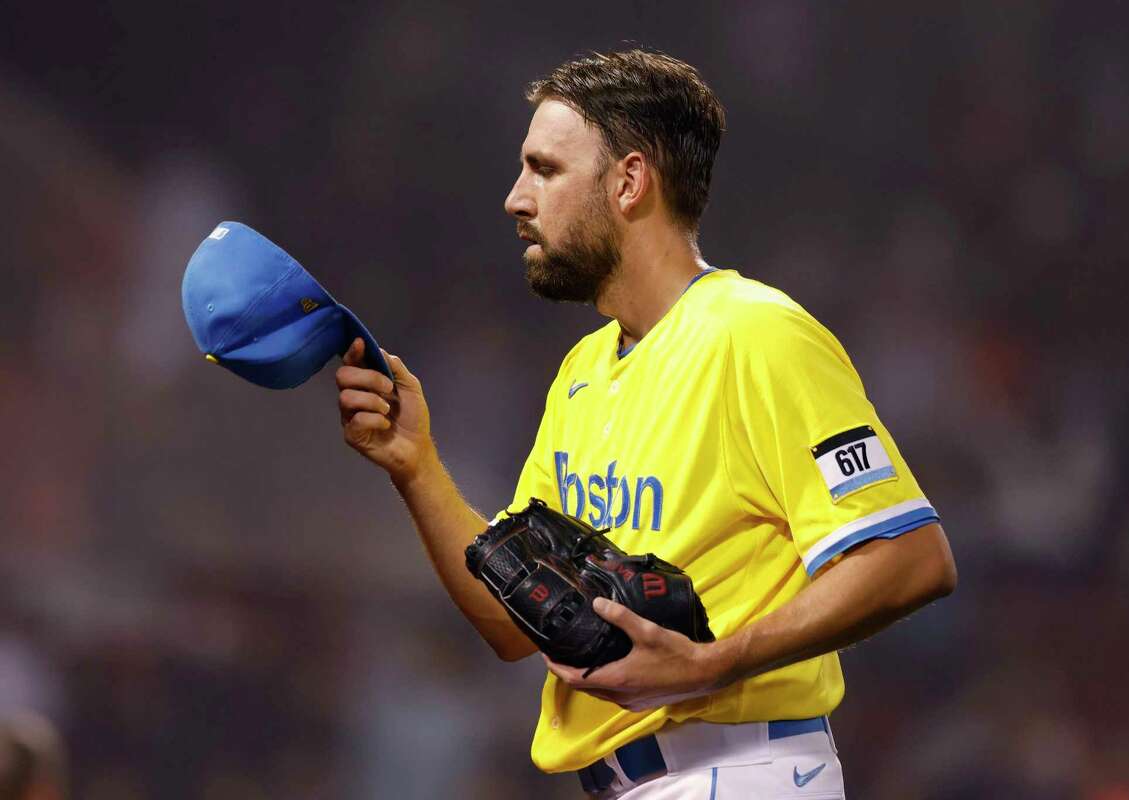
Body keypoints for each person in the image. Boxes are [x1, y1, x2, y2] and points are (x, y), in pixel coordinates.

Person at [335, 49, 956, 798]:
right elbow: (511, 624)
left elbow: (912, 557)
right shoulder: (584, 372)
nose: (515, 198)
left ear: (629, 182)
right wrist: (416, 465)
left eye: (544, 169)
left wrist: (714, 662)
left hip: (740, 766)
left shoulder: (754, 333)